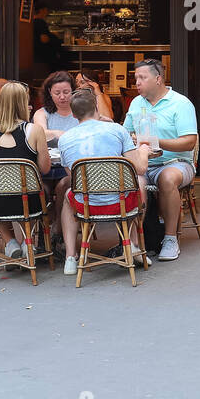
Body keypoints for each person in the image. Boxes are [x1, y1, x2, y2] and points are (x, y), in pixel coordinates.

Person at [59, 87, 153, 275]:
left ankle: (70, 257)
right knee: (139, 182)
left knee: (68, 196)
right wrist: (143, 151)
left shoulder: (65, 139)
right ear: (96, 107)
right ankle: (133, 244)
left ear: (73, 114)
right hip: (120, 202)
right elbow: (140, 168)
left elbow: (72, 176)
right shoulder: (116, 130)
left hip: (86, 205)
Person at [123, 59, 198, 262]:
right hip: (143, 163)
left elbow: (189, 142)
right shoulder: (136, 103)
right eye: (135, 78)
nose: (136, 82)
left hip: (176, 162)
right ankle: (136, 241)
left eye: (142, 77)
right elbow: (126, 133)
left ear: (158, 79)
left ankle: (170, 238)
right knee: (130, 180)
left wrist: (155, 142)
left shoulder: (180, 103)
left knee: (167, 178)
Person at [0, 82, 51, 261]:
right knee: (41, 190)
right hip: (29, 202)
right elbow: (45, 168)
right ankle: (28, 242)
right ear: (23, 103)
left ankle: (10, 243)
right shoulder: (34, 130)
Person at [34, 71, 78, 141]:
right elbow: (40, 133)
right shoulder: (42, 113)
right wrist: (57, 133)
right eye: (57, 93)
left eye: (66, 92)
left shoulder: (81, 111)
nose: (62, 97)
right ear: (49, 92)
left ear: (73, 90)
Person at [32, 5, 62, 72]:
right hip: (43, 57)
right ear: (41, 10)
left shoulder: (31, 22)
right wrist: (53, 37)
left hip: (36, 57)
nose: (47, 12)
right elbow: (44, 39)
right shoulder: (40, 22)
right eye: (46, 10)